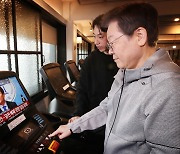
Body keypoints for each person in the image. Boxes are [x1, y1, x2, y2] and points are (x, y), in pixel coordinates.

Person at [50, 3, 180, 154]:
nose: (110, 51)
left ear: (139, 36)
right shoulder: (124, 74)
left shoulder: (168, 89)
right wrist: (74, 126)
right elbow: (107, 107)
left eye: (112, 42)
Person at [62, 14, 118, 154]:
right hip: (94, 118)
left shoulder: (123, 60)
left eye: (101, 36)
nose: (97, 42)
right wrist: (78, 114)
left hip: (116, 123)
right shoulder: (91, 60)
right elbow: (82, 90)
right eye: (95, 37)